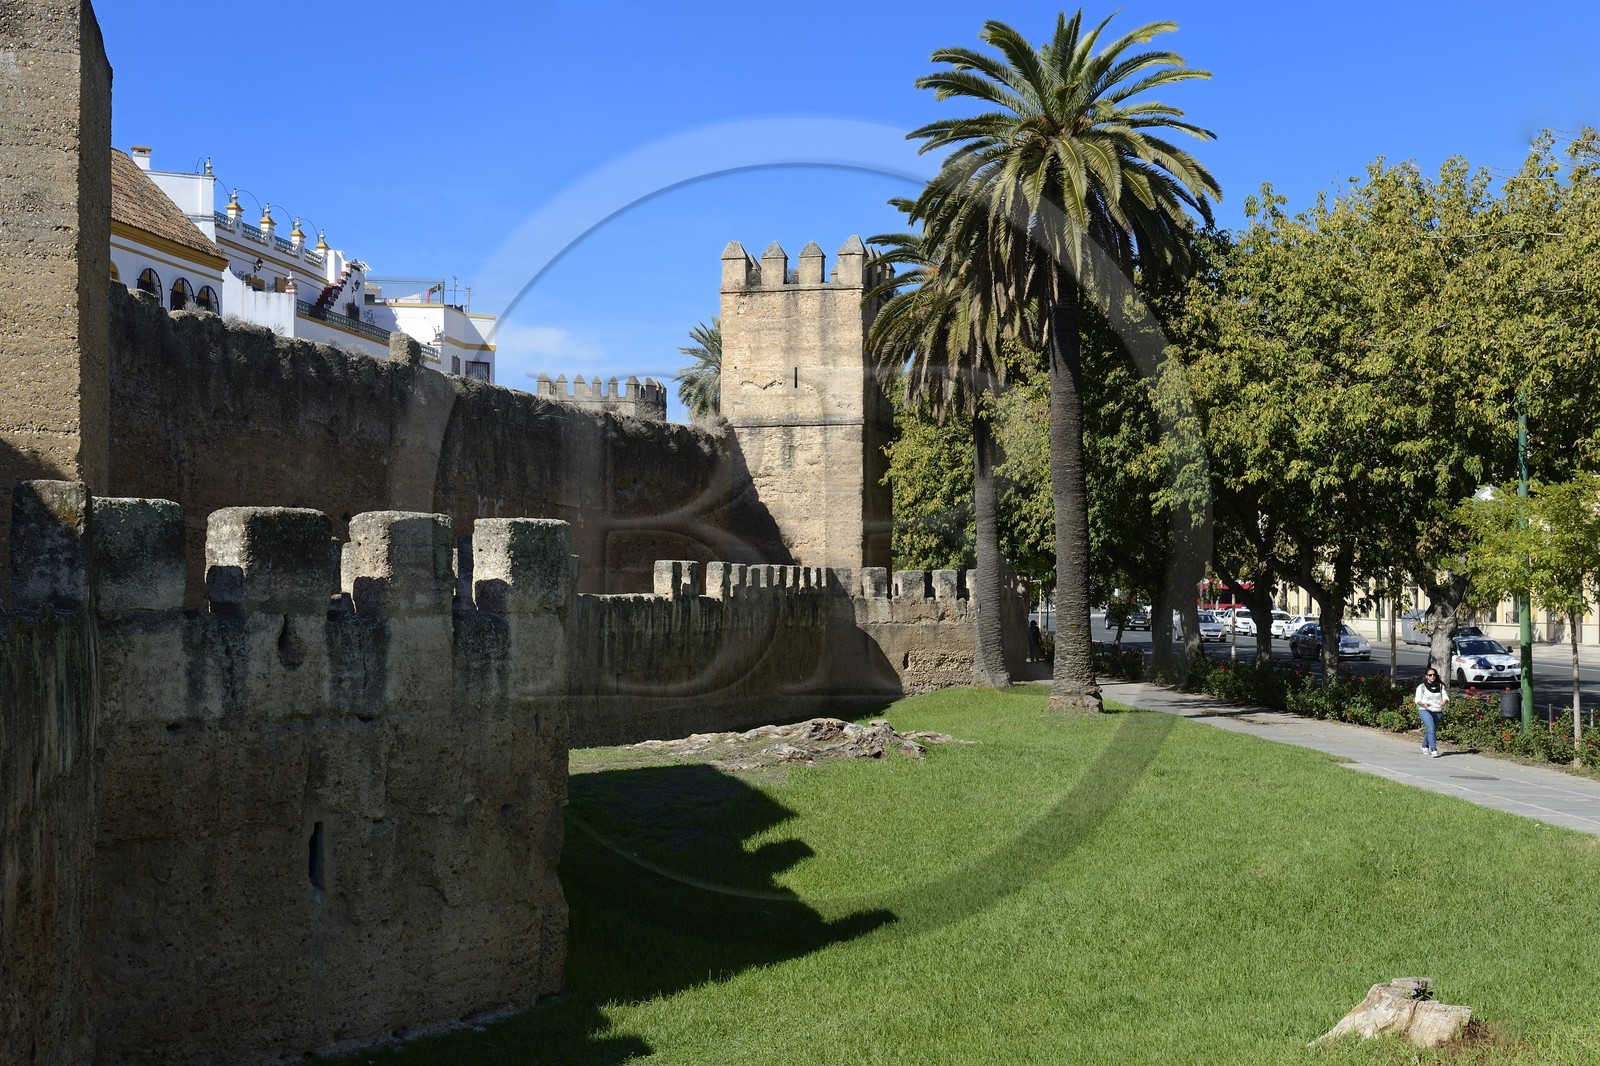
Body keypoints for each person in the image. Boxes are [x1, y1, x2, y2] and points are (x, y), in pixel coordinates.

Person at [1414, 667, 1448, 757]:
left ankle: (1424, 745)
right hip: (1425, 710)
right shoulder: (1421, 687)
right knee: (1431, 728)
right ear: (1426, 676)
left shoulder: (1440, 686)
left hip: (1437, 710)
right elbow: (1417, 700)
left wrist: (1443, 702)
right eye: (1430, 675)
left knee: (1432, 730)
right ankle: (1433, 749)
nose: (1432, 676)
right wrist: (1423, 704)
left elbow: (1446, 697)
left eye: (1434, 675)